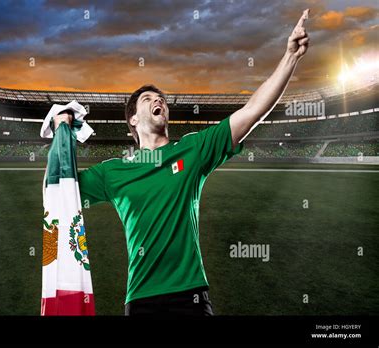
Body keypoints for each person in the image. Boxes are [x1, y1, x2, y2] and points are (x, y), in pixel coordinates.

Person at [53, 10, 310, 316]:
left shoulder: (193, 150)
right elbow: (61, 190)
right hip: (141, 300)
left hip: (192, 298)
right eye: (148, 99)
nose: (157, 100)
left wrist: (290, 57)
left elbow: (253, 111)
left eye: (160, 98)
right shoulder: (113, 172)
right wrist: (63, 131)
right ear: (133, 119)